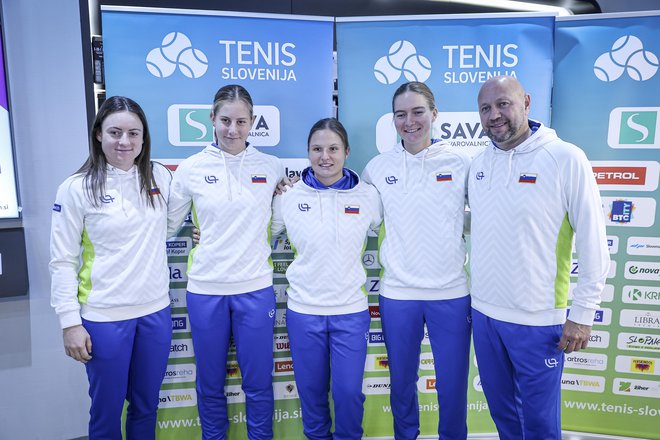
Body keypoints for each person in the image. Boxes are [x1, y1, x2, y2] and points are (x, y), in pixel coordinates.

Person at [468, 76, 610, 439]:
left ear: (526, 102)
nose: (494, 115)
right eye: (486, 108)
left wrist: (582, 314)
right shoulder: (480, 161)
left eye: (503, 104)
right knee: (503, 414)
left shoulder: (565, 157)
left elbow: (595, 241)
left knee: (541, 423)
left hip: (537, 319)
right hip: (485, 314)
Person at [49, 96, 172, 440]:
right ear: (98, 135)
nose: (124, 141)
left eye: (134, 133)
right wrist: (70, 323)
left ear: (144, 138)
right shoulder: (76, 188)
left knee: (146, 406)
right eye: (115, 132)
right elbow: (61, 260)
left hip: (155, 313)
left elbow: (184, 217)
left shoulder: (160, 177)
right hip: (103, 318)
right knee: (106, 411)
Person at [167, 84, 283, 440]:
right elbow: (168, 225)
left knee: (259, 383)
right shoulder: (190, 168)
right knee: (210, 382)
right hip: (206, 290)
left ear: (252, 123)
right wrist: (200, 233)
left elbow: (277, 224)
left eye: (241, 122)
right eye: (225, 120)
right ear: (211, 120)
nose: (233, 130)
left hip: (255, 289)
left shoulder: (272, 166)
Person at [362, 82, 472, 440]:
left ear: (434, 113)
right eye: (401, 114)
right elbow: (351, 211)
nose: (409, 121)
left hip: (451, 293)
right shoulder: (376, 168)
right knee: (402, 384)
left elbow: (492, 210)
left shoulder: (461, 163)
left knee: (453, 386)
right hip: (398, 294)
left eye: (417, 112)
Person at [271, 118, 382, 440]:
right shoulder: (288, 197)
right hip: (304, 312)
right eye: (317, 149)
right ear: (307, 153)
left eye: (333, 149)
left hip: (350, 311)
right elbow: (256, 233)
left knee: (348, 393)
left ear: (346, 152)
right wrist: (205, 235)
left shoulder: (368, 197)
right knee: (311, 393)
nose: (325, 157)